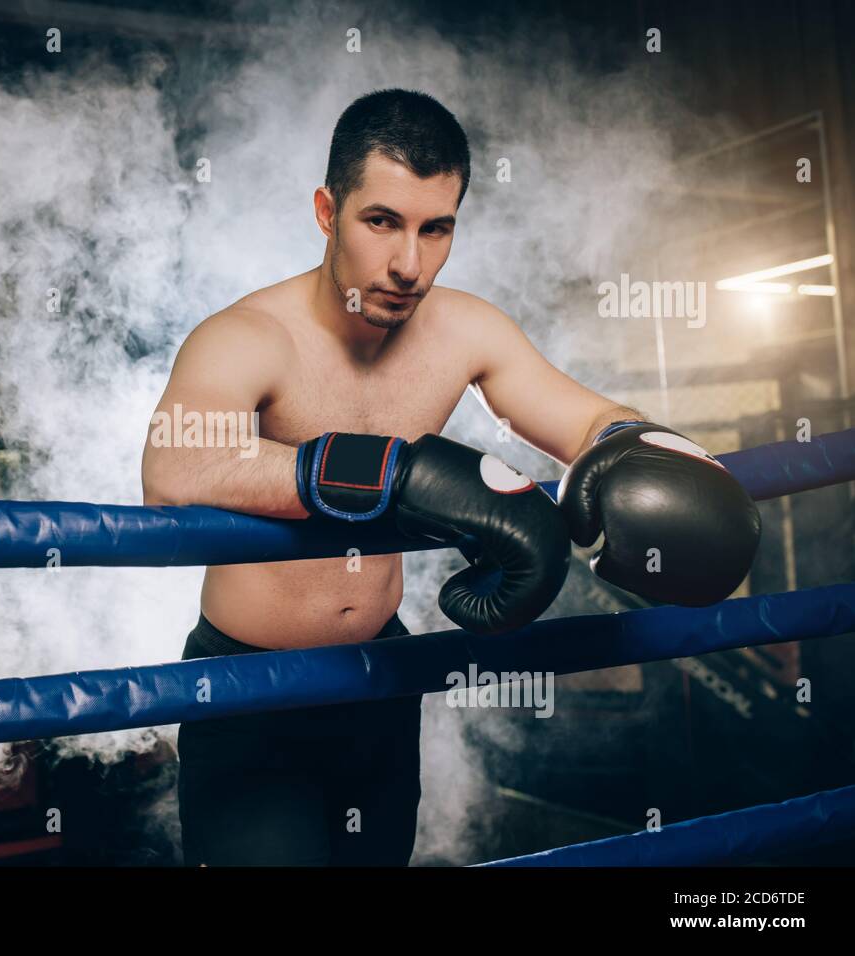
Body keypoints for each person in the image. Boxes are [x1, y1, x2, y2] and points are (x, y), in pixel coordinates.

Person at [141, 88, 760, 866]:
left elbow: (587, 422)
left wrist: (649, 458)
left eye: (436, 229)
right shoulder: (247, 336)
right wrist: (393, 474)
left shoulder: (465, 329)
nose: (409, 263)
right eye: (382, 223)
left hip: (383, 676)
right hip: (249, 686)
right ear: (328, 212)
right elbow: (175, 466)